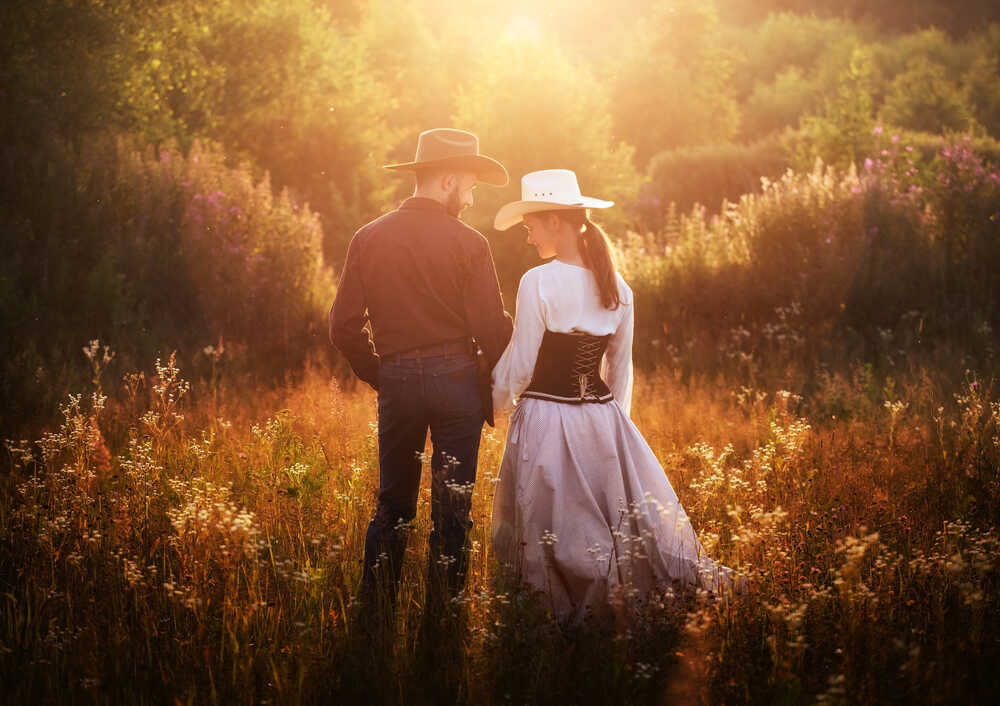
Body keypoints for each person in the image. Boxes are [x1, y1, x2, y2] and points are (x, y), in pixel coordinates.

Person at [490, 169, 732, 623]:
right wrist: (613, 430)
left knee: (553, 524)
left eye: (531, 226)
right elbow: (621, 370)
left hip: (546, 416)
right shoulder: (620, 288)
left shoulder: (537, 281)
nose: (528, 237)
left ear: (556, 223)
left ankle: (552, 611)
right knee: (609, 520)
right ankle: (607, 605)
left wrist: (492, 403)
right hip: (602, 419)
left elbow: (521, 365)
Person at [329, 128, 513, 627]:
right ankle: (445, 622)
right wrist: (503, 367)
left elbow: (341, 326)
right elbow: (492, 329)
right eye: (470, 186)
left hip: (399, 383)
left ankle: (375, 618)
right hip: (457, 384)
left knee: (393, 505)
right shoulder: (470, 243)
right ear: (448, 179)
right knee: (453, 509)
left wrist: (382, 375)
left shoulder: (367, 237)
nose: (472, 198)